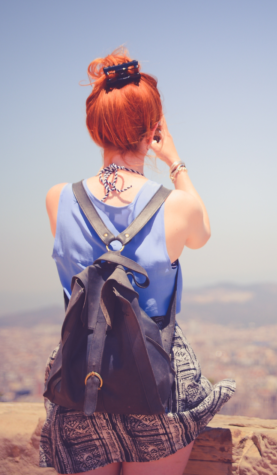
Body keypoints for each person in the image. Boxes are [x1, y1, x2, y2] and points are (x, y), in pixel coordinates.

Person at [39, 48, 235, 475]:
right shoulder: (177, 206)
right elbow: (202, 234)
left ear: (95, 130)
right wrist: (175, 162)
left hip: (80, 378)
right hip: (157, 383)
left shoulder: (59, 198)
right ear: (152, 130)